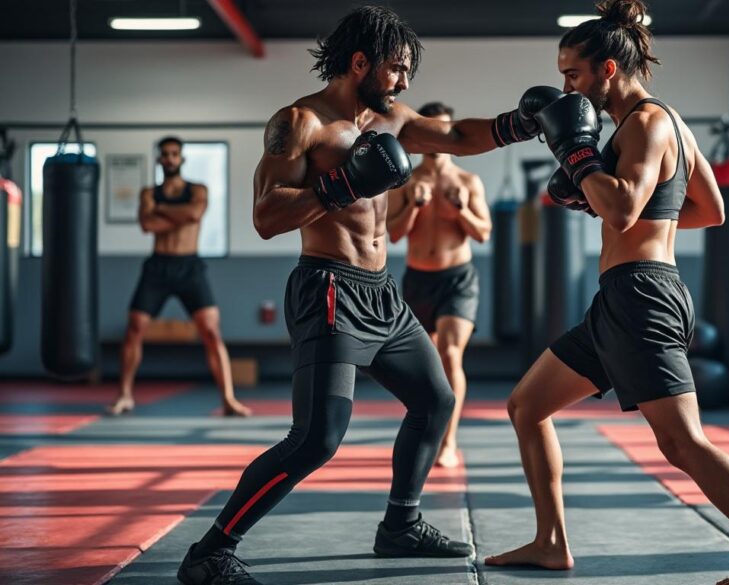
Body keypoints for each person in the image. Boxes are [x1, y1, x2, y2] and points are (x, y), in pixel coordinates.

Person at [177, 7, 562, 584]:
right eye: (397, 69)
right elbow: (264, 216)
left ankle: (400, 526)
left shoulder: (392, 118)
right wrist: (342, 184)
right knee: (316, 439)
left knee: (435, 402)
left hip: (383, 294)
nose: (406, 82)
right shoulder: (300, 122)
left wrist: (521, 124)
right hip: (328, 289)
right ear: (360, 62)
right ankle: (210, 551)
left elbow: (458, 136)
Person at [483, 2, 729, 584]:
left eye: (573, 75)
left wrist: (579, 161)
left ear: (607, 69)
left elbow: (625, 208)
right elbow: (710, 209)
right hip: (622, 298)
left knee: (683, 443)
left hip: (641, 297)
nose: (566, 88)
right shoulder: (673, 123)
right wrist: (604, 197)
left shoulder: (647, 124)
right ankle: (551, 541)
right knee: (527, 406)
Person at [109, 136, 250, 417]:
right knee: (134, 329)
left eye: (175, 154)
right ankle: (125, 395)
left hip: (190, 267)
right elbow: (148, 225)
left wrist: (162, 211)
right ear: (160, 159)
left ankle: (228, 399)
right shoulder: (148, 192)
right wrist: (179, 215)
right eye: (165, 154)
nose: (170, 158)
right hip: (158, 267)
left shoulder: (197, 189)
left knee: (211, 332)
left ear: (182, 158)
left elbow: (195, 213)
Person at [386, 101, 492, 469]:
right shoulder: (404, 180)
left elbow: (483, 234)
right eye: (432, 131)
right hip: (418, 278)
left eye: (444, 131)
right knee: (423, 365)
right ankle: (425, 433)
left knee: (449, 354)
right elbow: (394, 235)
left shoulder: (467, 182)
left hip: (457, 281)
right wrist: (413, 206)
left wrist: (461, 209)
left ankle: (449, 442)